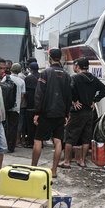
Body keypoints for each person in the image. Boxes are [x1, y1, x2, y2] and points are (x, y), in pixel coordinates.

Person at [59, 57, 105, 169]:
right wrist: (94, 100)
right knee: (86, 137)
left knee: (70, 136)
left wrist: (75, 101)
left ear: (78, 66)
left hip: (77, 112)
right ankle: (82, 161)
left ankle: (66, 161)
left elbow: (69, 90)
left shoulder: (75, 78)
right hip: (89, 112)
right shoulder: (93, 79)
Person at [31, 48, 72, 178]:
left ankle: (33, 167)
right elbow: (68, 96)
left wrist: (37, 112)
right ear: (60, 58)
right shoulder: (66, 75)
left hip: (46, 113)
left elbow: (39, 94)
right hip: (60, 113)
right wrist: (66, 114)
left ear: (49, 58)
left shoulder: (45, 73)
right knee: (58, 141)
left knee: (38, 140)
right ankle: (53, 170)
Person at [3, 62, 25, 152]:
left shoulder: (5, 78)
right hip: (16, 107)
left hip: (4, 106)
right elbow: (23, 96)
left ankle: (2, 144)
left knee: (4, 125)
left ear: (11, 69)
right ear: (19, 71)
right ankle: (11, 146)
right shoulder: (22, 81)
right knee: (13, 127)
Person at [23, 62, 40, 148]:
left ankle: (31, 142)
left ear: (30, 69)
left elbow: (25, 93)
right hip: (40, 105)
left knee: (30, 124)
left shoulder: (28, 78)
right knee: (39, 124)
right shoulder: (41, 76)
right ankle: (39, 142)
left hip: (30, 104)